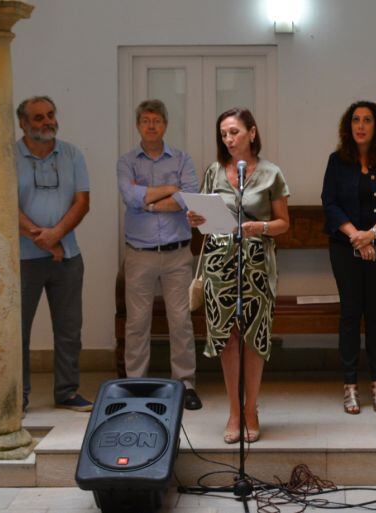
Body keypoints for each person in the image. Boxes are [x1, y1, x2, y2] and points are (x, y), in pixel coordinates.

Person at [187, 107, 290, 443]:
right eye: (224, 134)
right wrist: (196, 219)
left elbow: (283, 224)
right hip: (220, 265)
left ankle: (251, 409)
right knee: (228, 338)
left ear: (252, 133)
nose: (229, 139)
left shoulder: (271, 173)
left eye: (234, 132)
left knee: (254, 338)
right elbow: (204, 223)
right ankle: (233, 410)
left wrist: (259, 227)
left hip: (258, 265)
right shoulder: (214, 171)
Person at [321, 101, 376, 415]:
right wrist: (356, 237)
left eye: (367, 120)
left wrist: (371, 235)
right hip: (345, 248)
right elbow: (329, 203)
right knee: (349, 313)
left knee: (375, 314)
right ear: (349, 126)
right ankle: (350, 386)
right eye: (355, 120)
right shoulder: (337, 161)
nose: (360, 125)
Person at [117, 99, 202, 411]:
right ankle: (134, 384)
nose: (151, 125)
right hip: (139, 254)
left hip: (177, 253)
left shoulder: (182, 158)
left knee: (180, 321)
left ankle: (185, 384)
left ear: (165, 125)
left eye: (156, 120)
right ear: (138, 126)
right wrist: (170, 188)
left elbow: (187, 197)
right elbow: (130, 195)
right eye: (145, 120)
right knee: (137, 323)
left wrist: (149, 200)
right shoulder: (127, 162)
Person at [16, 96, 92, 413]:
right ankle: (17, 396)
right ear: (23, 123)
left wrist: (56, 235)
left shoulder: (72, 154)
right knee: (17, 332)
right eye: (38, 117)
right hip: (21, 260)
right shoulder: (6, 156)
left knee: (69, 330)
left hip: (68, 257)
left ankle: (66, 391)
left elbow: (82, 202)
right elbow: (4, 205)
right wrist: (45, 240)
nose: (47, 121)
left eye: (50, 115)